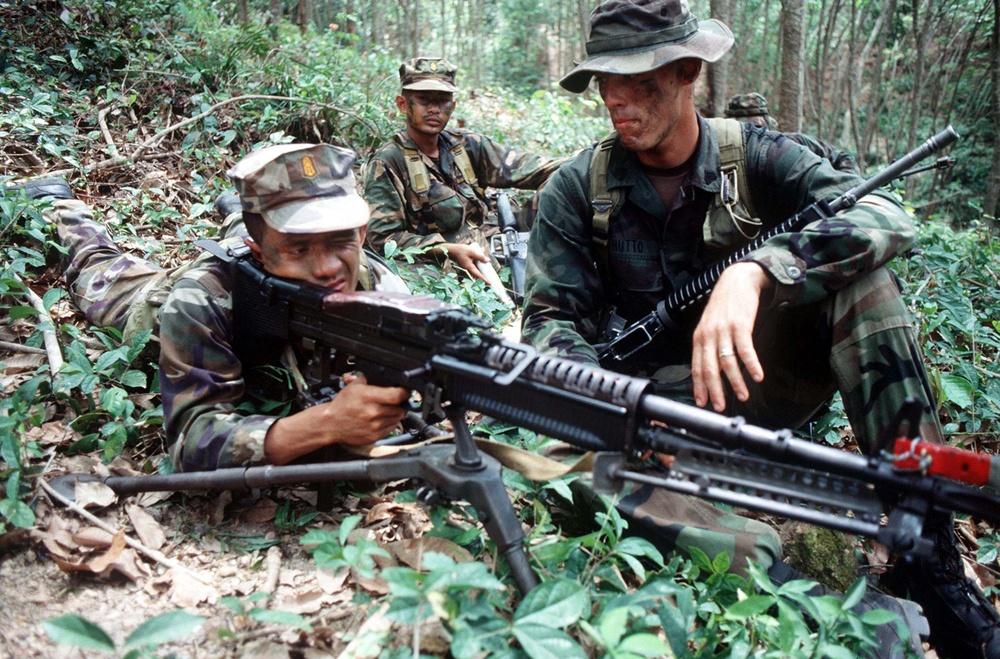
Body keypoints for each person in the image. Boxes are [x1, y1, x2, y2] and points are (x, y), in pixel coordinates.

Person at [520, 0, 1000, 656]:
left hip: (764, 381)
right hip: (651, 414)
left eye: (637, 80)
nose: (616, 99)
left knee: (862, 278)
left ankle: (930, 546)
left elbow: (888, 215)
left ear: (687, 70)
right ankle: (787, 582)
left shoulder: (761, 158)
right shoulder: (577, 189)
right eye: (605, 82)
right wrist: (614, 404)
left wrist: (759, 271)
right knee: (557, 471)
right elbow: (548, 321)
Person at [26, 144, 411, 472]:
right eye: (300, 248)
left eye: (341, 240)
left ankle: (238, 216)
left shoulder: (378, 284)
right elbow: (191, 442)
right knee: (97, 271)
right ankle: (59, 205)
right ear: (260, 251)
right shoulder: (201, 296)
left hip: (260, 265)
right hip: (169, 299)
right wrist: (325, 424)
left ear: (362, 233)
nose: (328, 268)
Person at [361, 56, 565, 283]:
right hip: (444, 262)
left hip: (499, 242)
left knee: (564, 183)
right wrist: (445, 249)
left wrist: (589, 163)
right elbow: (383, 238)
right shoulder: (388, 162)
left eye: (442, 100)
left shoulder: (466, 146)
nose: (434, 109)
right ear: (402, 104)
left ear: (453, 105)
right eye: (423, 100)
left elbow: (536, 167)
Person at [725, 92, 860, 174]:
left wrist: (845, 193)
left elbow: (841, 158)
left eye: (756, 129)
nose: (750, 137)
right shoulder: (722, 158)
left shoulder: (791, 144)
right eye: (740, 131)